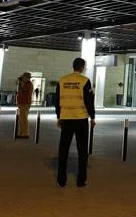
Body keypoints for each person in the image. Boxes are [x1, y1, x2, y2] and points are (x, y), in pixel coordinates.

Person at [54, 58, 95, 188]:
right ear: (82, 67)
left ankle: (61, 180)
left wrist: (59, 116)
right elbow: (89, 101)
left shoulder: (62, 80)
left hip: (66, 118)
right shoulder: (85, 81)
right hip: (81, 118)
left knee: (63, 150)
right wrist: (93, 117)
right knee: (82, 150)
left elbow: (57, 100)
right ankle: (81, 180)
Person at [16, 73, 34, 139]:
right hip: (21, 102)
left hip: (25, 103)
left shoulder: (29, 84)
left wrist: (22, 84)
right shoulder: (23, 83)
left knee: (24, 118)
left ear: (26, 78)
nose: (22, 78)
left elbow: (24, 91)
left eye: (23, 77)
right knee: (21, 119)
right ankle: (21, 133)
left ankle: (25, 133)